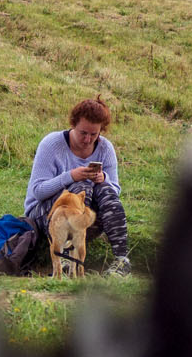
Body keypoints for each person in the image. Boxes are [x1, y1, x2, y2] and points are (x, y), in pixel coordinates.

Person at [25, 98, 132, 275]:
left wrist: (103, 178)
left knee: (104, 189)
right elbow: (37, 191)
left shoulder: (106, 148)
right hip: (46, 215)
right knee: (80, 187)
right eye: (83, 133)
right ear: (73, 124)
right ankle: (66, 257)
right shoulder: (51, 144)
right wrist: (70, 176)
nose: (88, 139)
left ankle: (121, 261)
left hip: (84, 220)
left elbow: (115, 192)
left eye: (94, 134)